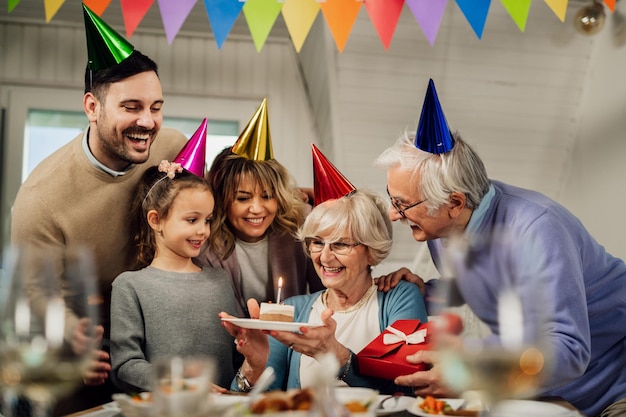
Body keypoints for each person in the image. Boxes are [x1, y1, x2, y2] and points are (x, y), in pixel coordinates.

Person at [374, 79, 626, 417]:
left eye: (403, 204)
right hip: (541, 391)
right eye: (393, 199)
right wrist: (427, 292)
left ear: (454, 202)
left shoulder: (538, 230)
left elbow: (569, 349)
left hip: (610, 388)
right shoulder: (442, 230)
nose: (393, 215)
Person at [9, 5, 187, 413]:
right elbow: (35, 291)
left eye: (156, 107)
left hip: (154, 336)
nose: (148, 121)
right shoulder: (40, 198)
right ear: (92, 107)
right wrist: (73, 335)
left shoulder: (173, 146)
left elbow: (209, 207)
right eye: (131, 107)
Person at [220, 148, 428, 394]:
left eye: (340, 243)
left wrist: (336, 355)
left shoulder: (400, 297)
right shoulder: (293, 309)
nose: (325, 257)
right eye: (317, 242)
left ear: (371, 250)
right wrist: (253, 367)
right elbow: (256, 399)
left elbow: (408, 384)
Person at [110, 160, 238, 392]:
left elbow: (238, 354)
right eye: (192, 220)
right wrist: (179, 384)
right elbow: (125, 365)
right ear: (156, 220)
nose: (203, 230)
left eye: (207, 220)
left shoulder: (220, 280)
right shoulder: (130, 286)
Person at [196, 99, 324, 317]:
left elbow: (325, 292)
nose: (257, 209)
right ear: (222, 200)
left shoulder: (299, 227)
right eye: (243, 199)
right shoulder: (207, 245)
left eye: (267, 196)